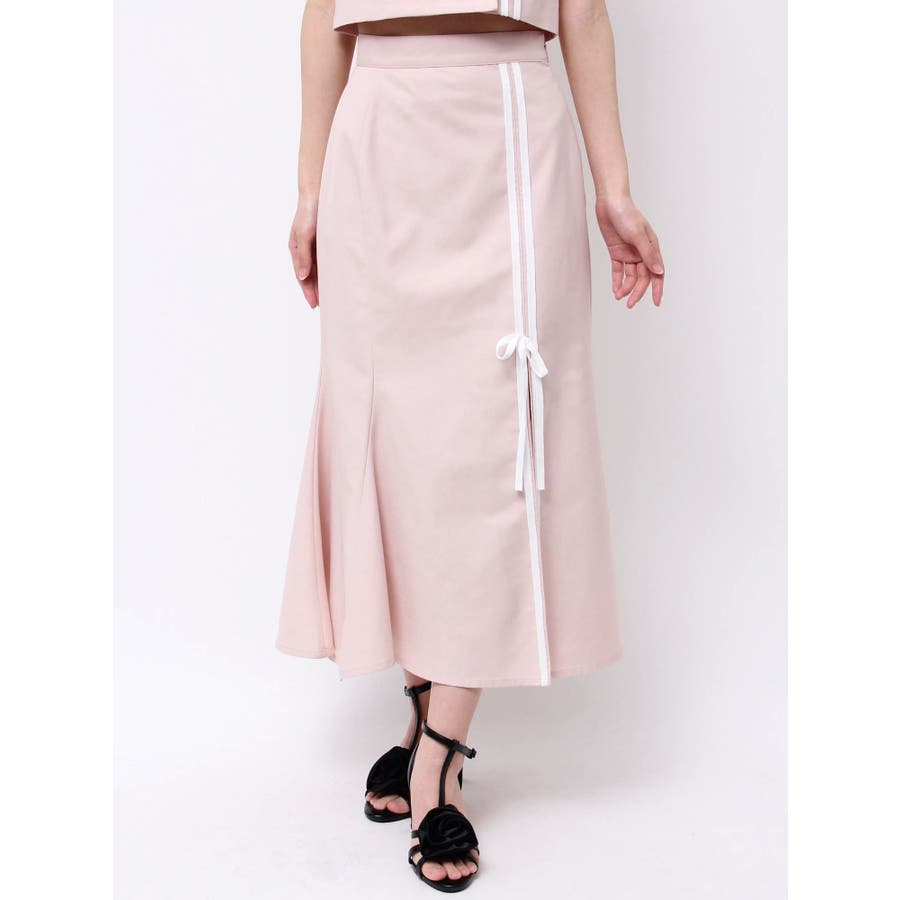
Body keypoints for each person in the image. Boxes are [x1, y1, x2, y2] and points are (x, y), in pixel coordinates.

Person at [279, 0, 664, 891]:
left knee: (491, 443)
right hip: (377, 139)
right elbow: (322, 11)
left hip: (509, 134)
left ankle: (441, 753)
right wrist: (309, 188)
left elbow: (583, 12)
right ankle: (423, 710)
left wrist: (613, 188)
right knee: (399, 440)